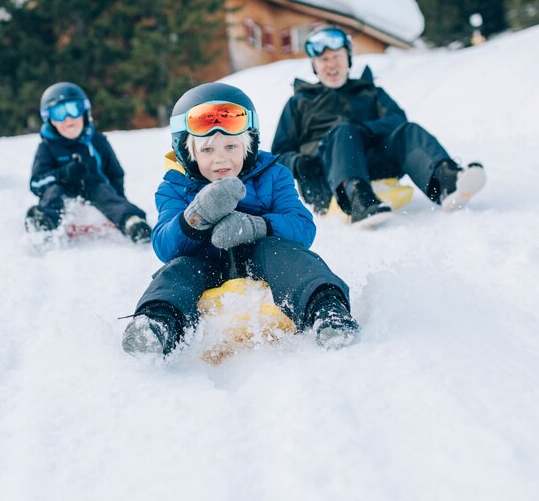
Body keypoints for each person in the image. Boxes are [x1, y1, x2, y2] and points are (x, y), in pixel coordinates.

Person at [121, 82, 359, 358]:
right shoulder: (174, 187)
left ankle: (326, 310)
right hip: (204, 265)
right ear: (188, 152)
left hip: (265, 260)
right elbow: (164, 246)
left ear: (249, 145)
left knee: (289, 255)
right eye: (207, 150)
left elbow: (302, 227)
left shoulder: (274, 174)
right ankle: (157, 324)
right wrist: (196, 217)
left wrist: (259, 226)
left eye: (231, 146)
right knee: (178, 270)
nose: (221, 159)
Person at [271, 25, 486, 224]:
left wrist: (366, 130)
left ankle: (446, 181)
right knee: (343, 131)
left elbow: (397, 120)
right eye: (324, 60)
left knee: (407, 130)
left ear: (348, 59)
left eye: (336, 57)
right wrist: (298, 163)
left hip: (372, 163)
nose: (331, 65)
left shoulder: (370, 93)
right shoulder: (299, 102)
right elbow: (279, 154)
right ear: (315, 66)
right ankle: (357, 198)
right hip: (325, 177)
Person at [25, 82, 152, 243]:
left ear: (84, 113)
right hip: (63, 196)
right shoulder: (46, 148)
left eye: (74, 109)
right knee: (54, 192)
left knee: (103, 190)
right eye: (59, 113)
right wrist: (62, 174)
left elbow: (115, 173)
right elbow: (36, 183)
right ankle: (43, 225)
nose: (68, 118)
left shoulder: (98, 142)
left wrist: (119, 199)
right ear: (50, 120)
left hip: (95, 191)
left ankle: (132, 222)